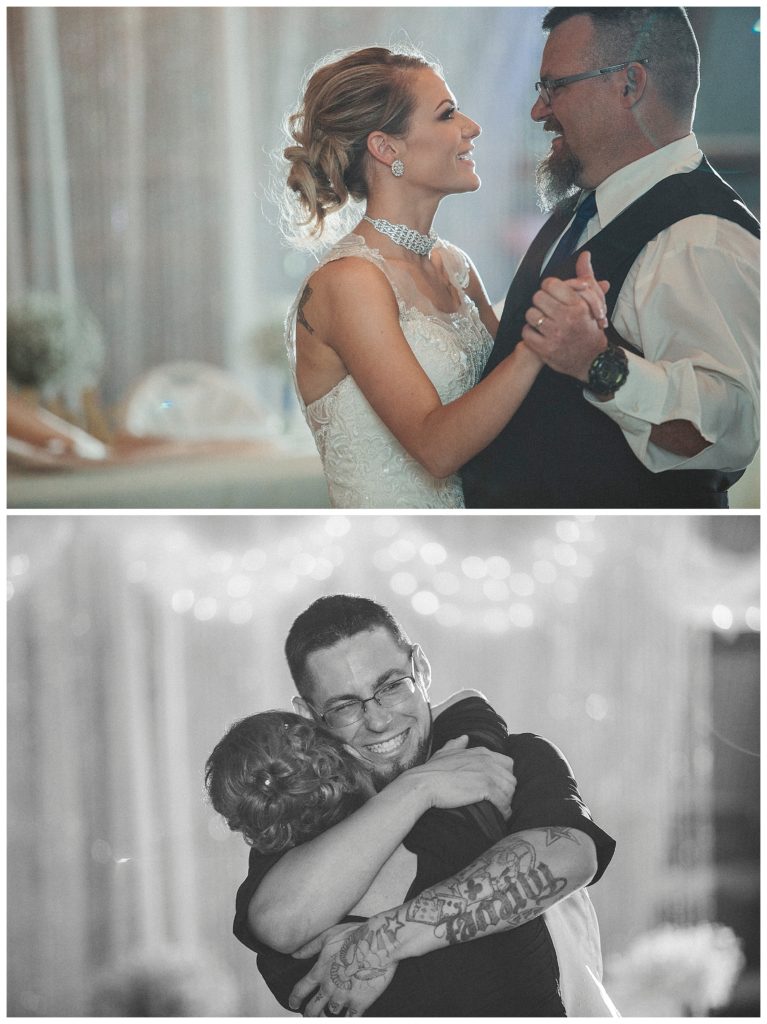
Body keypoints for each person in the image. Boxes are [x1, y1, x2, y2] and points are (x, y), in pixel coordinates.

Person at [231, 594, 617, 1015]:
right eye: (344, 706)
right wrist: (418, 789)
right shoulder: (303, 815)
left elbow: (569, 857)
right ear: (308, 714)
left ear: (422, 669)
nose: (378, 720)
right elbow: (281, 922)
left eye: (391, 686)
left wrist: (381, 942)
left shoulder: (511, 755)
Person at [281, 46, 609, 508]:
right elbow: (436, 449)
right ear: (386, 147)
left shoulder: (453, 266)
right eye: (447, 114)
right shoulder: (349, 281)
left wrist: (580, 325)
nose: (471, 128)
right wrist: (539, 344)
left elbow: (513, 400)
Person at [462, 7, 759, 509]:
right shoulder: (580, 209)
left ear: (630, 85)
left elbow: (727, 425)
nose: (539, 110)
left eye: (555, 86)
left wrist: (597, 363)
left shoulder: (700, 234)